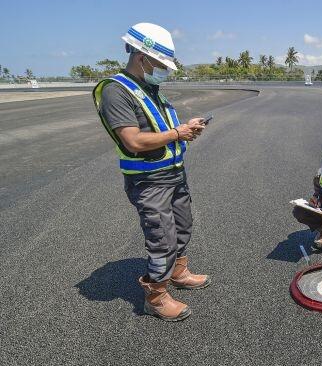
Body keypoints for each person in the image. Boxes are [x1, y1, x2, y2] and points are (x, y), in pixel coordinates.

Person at [92, 23, 210, 322]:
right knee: (162, 238)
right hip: (148, 181)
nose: (165, 70)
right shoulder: (116, 91)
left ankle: (179, 272)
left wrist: (185, 130)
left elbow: (161, 129)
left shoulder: (151, 89)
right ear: (141, 56)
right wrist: (177, 133)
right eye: (161, 64)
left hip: (173, 174)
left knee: (183, 227)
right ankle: (155, 295)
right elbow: (132, 139)